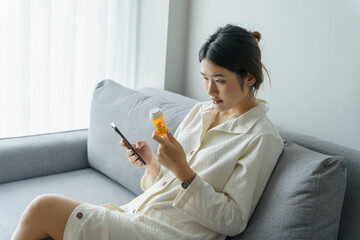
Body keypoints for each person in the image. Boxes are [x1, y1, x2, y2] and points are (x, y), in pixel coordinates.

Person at [12, 24, 284, 240]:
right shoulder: (201, 113)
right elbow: (167, 188)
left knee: (43, 208)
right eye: (205, 78)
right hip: (138, 218)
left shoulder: (261, 137)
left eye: (219, 81)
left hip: (169, 234)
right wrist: (154, 165)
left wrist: (184, 172)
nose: (210, 90)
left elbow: (232, 220)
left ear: (249, 77)